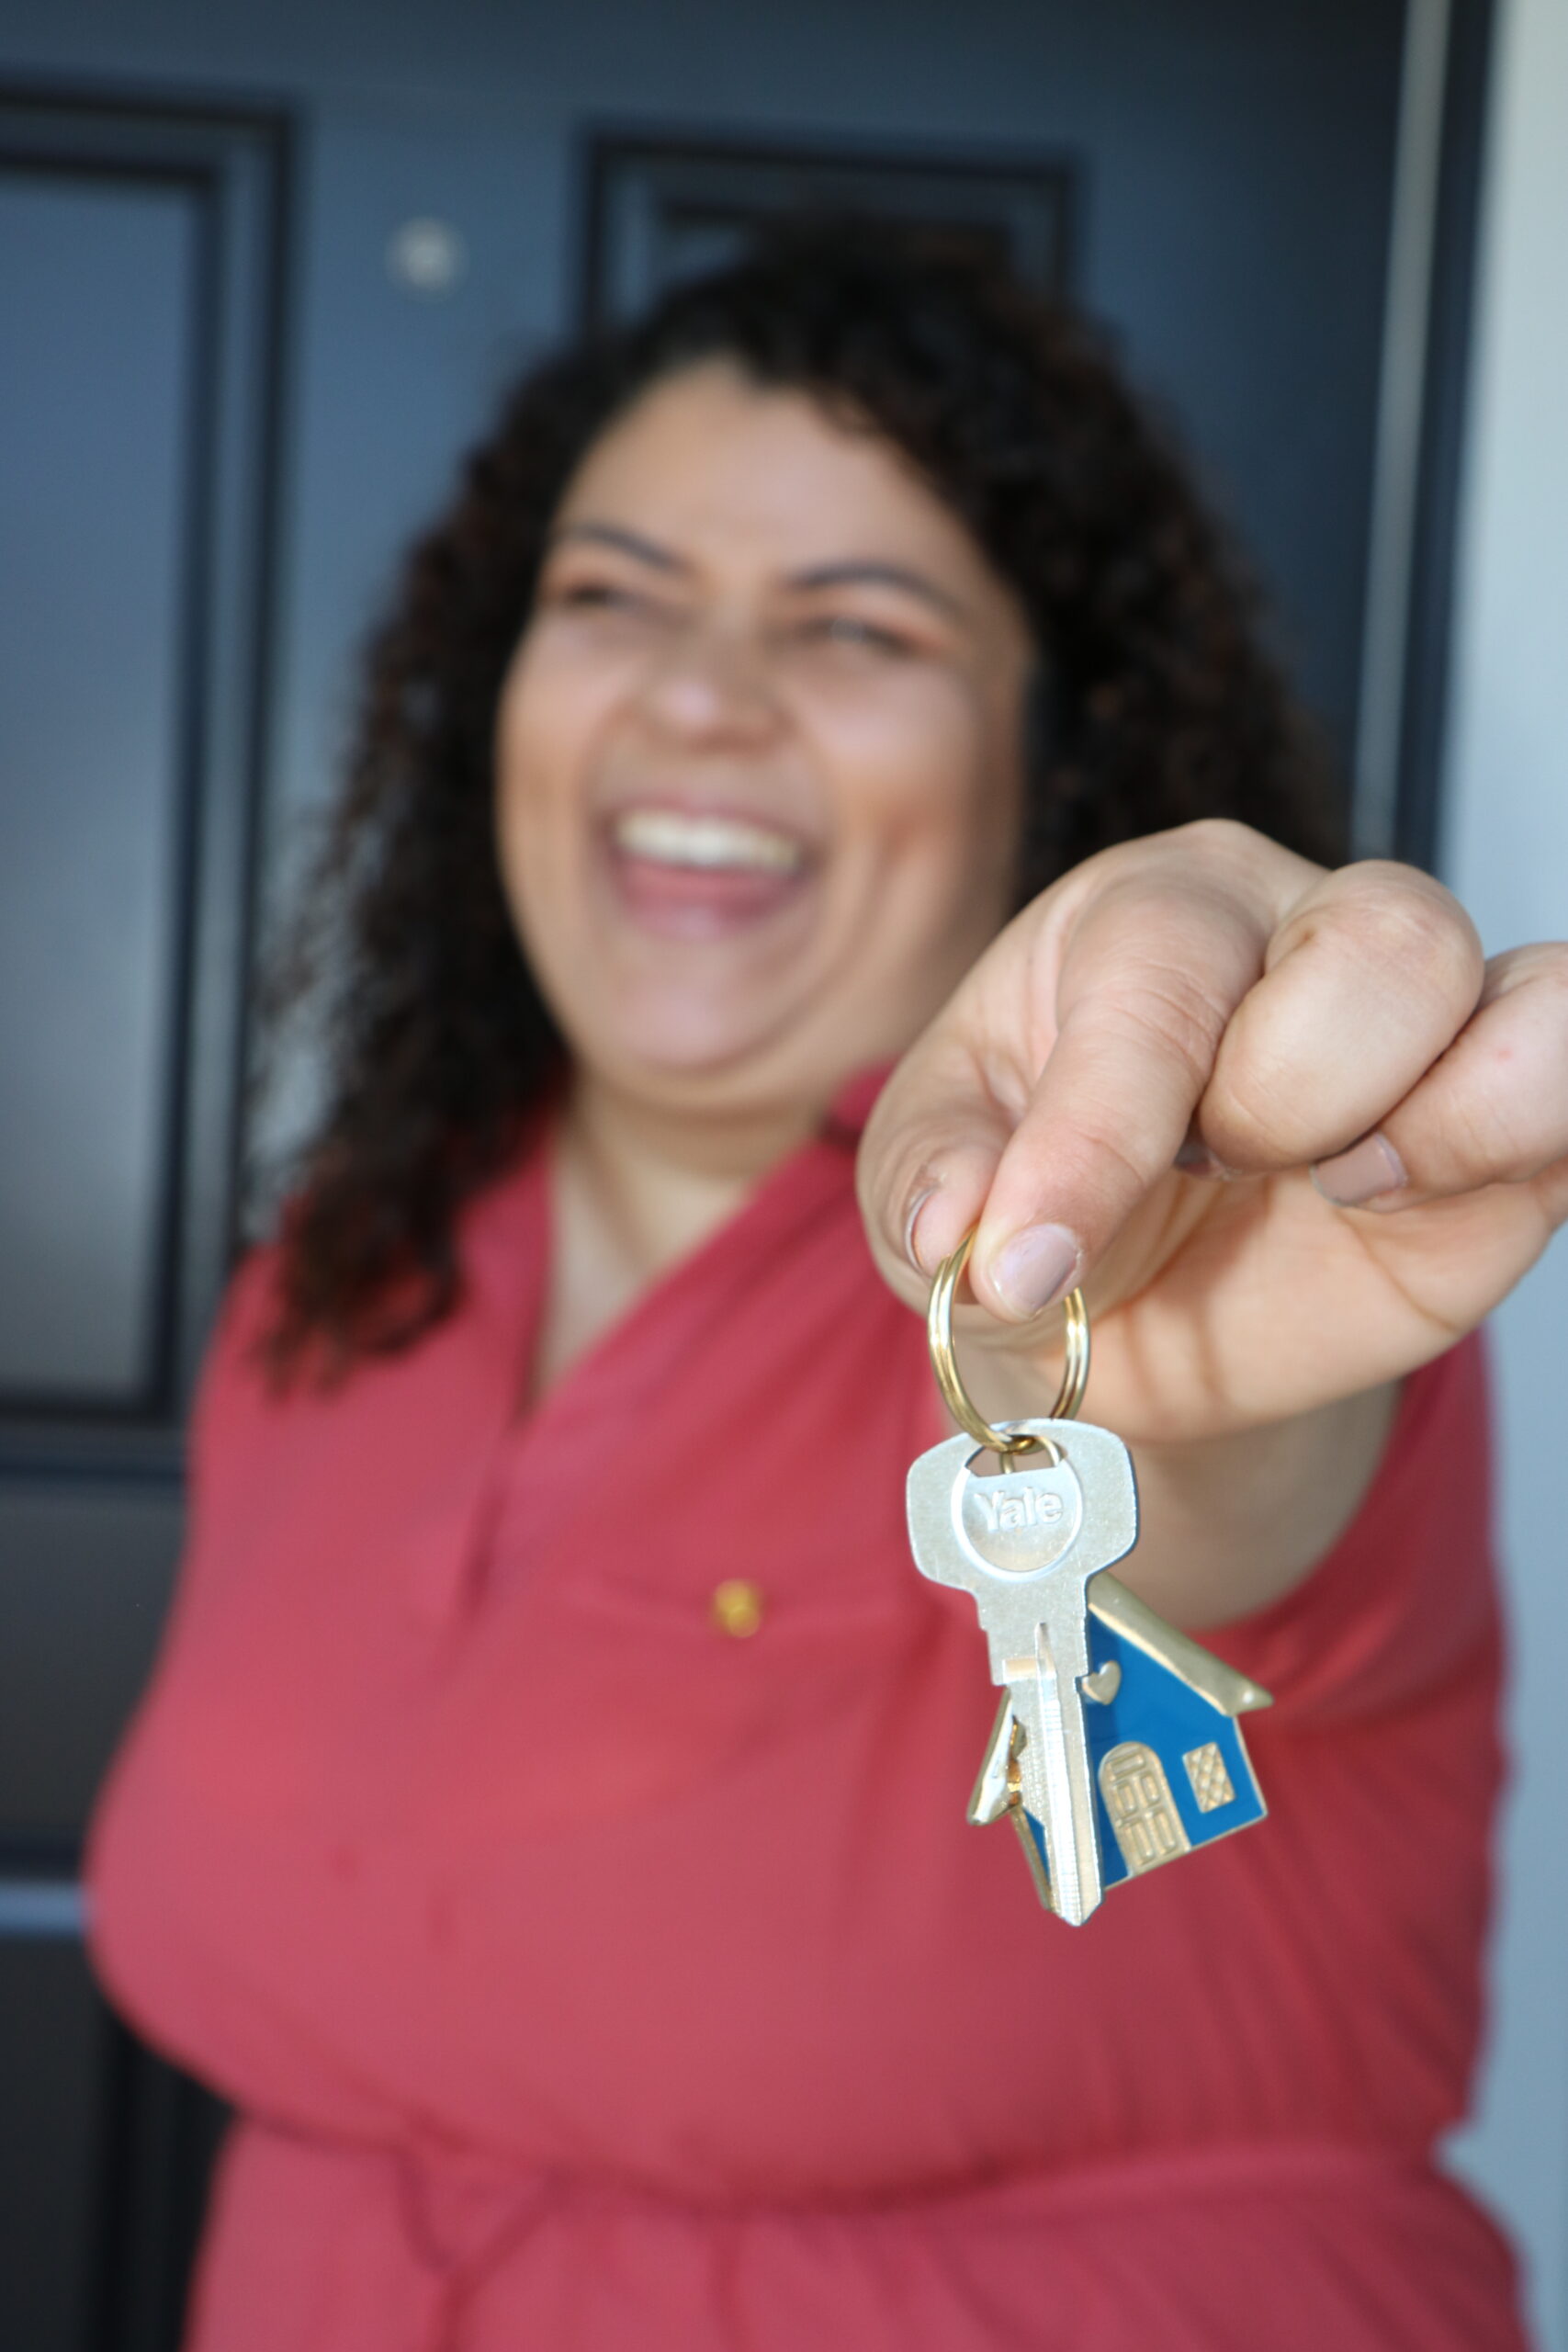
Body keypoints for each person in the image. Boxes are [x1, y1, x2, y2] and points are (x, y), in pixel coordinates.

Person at [85, 222, 1565, 2351]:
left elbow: (1232, 1454)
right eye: (612, 596)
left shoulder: (1158, 1248)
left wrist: (1166, 1271)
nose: (698, 694)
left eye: (853, 627)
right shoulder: (334, 1279)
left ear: (1045, 766)